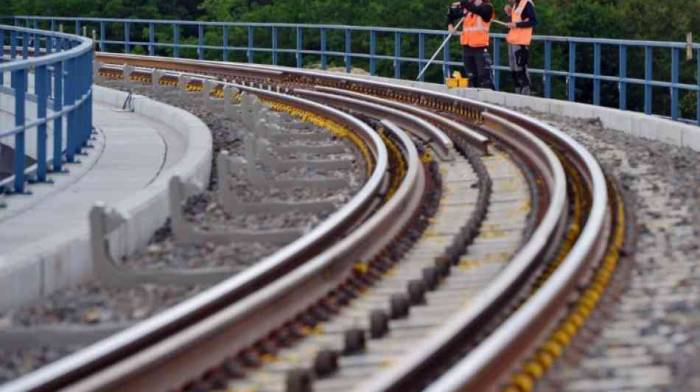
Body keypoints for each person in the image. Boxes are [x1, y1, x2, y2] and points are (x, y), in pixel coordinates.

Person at [447, 0, 495, 89]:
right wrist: (450, 24)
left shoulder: (487, 7)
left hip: (480, 47)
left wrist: (463, 4)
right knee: (471, 77)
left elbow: (480, 11)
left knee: (484, 77)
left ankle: (489, 98)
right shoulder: (468, 8)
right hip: (467, 46)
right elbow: (451, 13)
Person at [505, 0, 537, 95]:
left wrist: (517, 24)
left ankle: (525, 94)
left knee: (521, 68)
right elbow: (516, 22)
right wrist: (509, 15)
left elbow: (533, 21)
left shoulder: (526, 4)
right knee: (513, 69)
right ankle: (517, 93)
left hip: (521, 42)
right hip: (512, 40)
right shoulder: (516, 5)